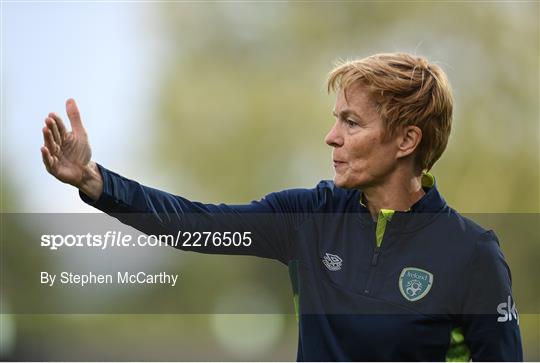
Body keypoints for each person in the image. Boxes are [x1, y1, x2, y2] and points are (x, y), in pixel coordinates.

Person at [40, 52, 523, 361]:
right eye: (337, 120)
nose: (332, 136)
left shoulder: (471, 253)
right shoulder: (308, 218)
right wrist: (95, 182)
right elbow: (195, 225)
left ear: (406, 140)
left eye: (352, 123)